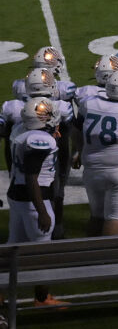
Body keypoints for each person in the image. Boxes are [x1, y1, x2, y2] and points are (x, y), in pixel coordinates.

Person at [7, 97, 61, 245]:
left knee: (15, 245)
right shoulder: (40, 139)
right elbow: (31, 177)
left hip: (16, 195)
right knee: (41, 249)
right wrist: (42, 212)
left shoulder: (20, 131)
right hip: (35, 200)